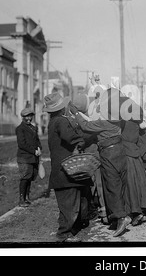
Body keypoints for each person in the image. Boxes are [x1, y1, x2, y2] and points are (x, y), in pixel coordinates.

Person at [70, 89, 132, 237]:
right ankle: (119, 216)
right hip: (120, 151)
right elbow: (92, 122)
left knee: (111, 186)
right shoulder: (117, 120)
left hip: (108, 153)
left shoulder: (103, 123)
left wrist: (76, 113)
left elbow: (86, 126)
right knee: (120, 185)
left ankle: (122, 218)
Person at [43, 92, 91, 243]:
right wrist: (83, 139)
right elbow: (72, 138)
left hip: (60, 169)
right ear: (62, 108)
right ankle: (64, 233)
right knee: (70, 203)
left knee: (69, 202)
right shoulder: (61, 122)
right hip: (66, 169)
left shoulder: (53, 121)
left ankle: (70, 228)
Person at [15, 107, 42, 208]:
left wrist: (39, 148)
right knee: (25, 178)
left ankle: (27, 198)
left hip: (33, 157)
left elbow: (37, 141)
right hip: (24, 158)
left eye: (30, 116)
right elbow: (22, 144)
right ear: (23, 117)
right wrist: (34, 151)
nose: (29, 118)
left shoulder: (33, 128)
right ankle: (21, 200)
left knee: (30, 177)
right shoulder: (20, 129)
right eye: (27, 116)